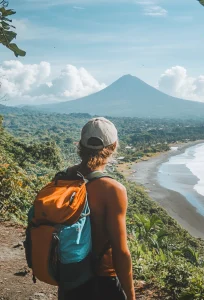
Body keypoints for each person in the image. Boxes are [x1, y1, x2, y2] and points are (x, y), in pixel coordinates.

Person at [58, 117, 136, 300]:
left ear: (80, 146)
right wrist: (131, 296)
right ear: (114, 146)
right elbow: (120, 251)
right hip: (103, 281)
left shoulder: (63, 178)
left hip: (70, 277)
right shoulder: (113, 190)